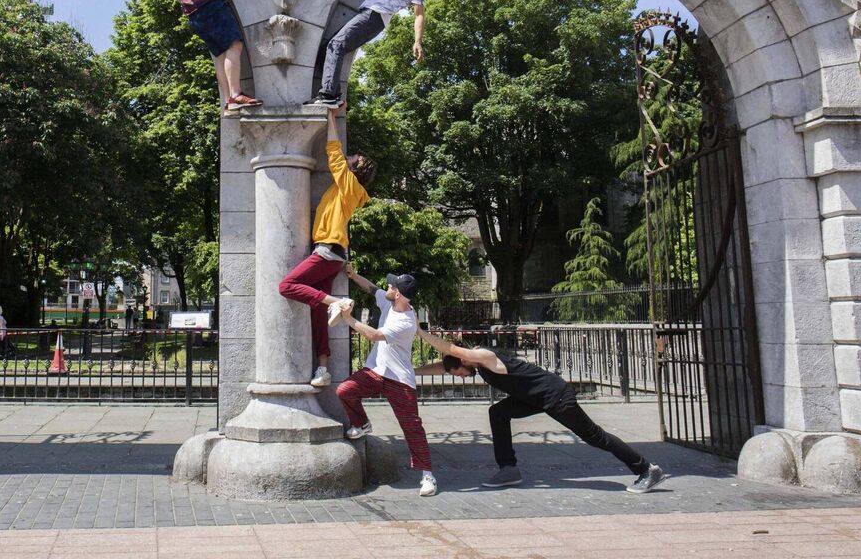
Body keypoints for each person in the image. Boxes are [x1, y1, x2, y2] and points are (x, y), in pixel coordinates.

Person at [415, 329, 666, 493]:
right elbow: (443, 364)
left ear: (463, 361)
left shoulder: (484, 356)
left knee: (594, 436)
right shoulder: (475, 364)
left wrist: (418, 331)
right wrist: (409, 372)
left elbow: (452, 352)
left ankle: (646, 469)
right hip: (532, 398)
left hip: (555, 395)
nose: (457, 377)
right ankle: (508, 469)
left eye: (456, 373)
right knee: (498, 413)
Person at [278, 106, 375, 388]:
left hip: (327, 251)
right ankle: (323, 369)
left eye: (351, 159)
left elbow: (333, 151)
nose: (346, 158)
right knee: (318, 311)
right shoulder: (348, 191)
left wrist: (331, 117)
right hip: (333, 255)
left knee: (287, 285)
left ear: (353, 169)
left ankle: (339, 303)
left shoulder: (348, 185)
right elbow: (337, 156)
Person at [336, 269, 436, 497]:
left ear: (398, 294)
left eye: (392, 286)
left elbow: (373, 335)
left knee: (412, 428)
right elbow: (371, 288)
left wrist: (348, 319)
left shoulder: (406, 322)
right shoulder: (388, 301)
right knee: (345, 390)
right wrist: (353, 276)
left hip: (399, 380)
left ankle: (427, 475)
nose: (387, 287)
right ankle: (361, 423)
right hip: (376, 371)